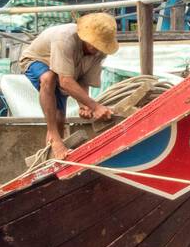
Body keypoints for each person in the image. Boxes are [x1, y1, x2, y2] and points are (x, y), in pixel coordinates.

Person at [18, 13, 120, 160]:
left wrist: (84, 106)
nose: (97, 49)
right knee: (48, 78)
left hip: (66, 71)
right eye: (95, 44)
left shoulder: (100, 53)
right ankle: (53, 135)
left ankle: (50, 158)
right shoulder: (65, 39)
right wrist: (95, 106)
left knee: (60, 118)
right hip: (37, 60)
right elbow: (65, 81)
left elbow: (84, 78)